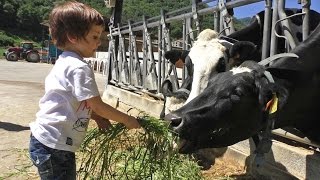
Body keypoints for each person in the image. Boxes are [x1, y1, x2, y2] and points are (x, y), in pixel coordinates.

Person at [28, 1, 141, 179]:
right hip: (55, 146)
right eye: (95, 37)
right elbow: (97, 105)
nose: (99, 42)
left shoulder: (65, 61)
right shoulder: (79, 67)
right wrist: (127, 120)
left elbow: (76, 101)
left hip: (52, 142)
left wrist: (97, 118)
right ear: (73, 37)